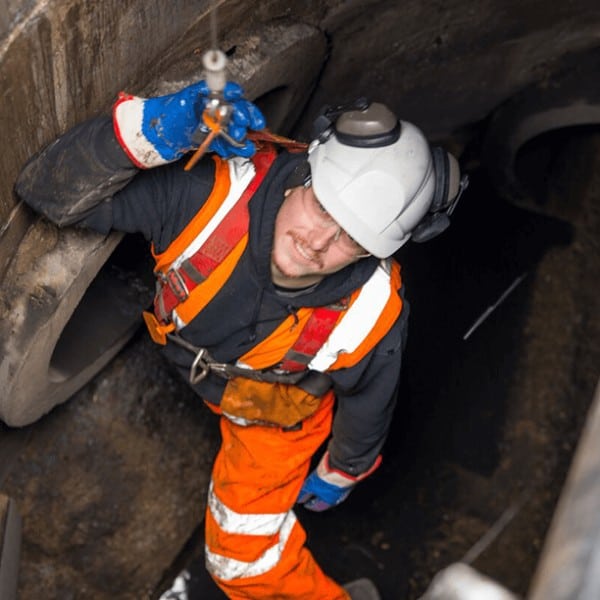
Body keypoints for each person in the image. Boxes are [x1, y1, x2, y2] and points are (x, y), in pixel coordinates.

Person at [15, 78, 465, 600]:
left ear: (374, 252)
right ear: (306, 171)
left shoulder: (371, 310)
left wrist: (343, 469)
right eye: (322, 207)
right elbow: (50, 193)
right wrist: (150, 132)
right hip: (198, 359)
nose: (317, 244)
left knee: (242, 565)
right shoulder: (213, 196)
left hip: (274, 415)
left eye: (352, 238)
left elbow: (369, 399)